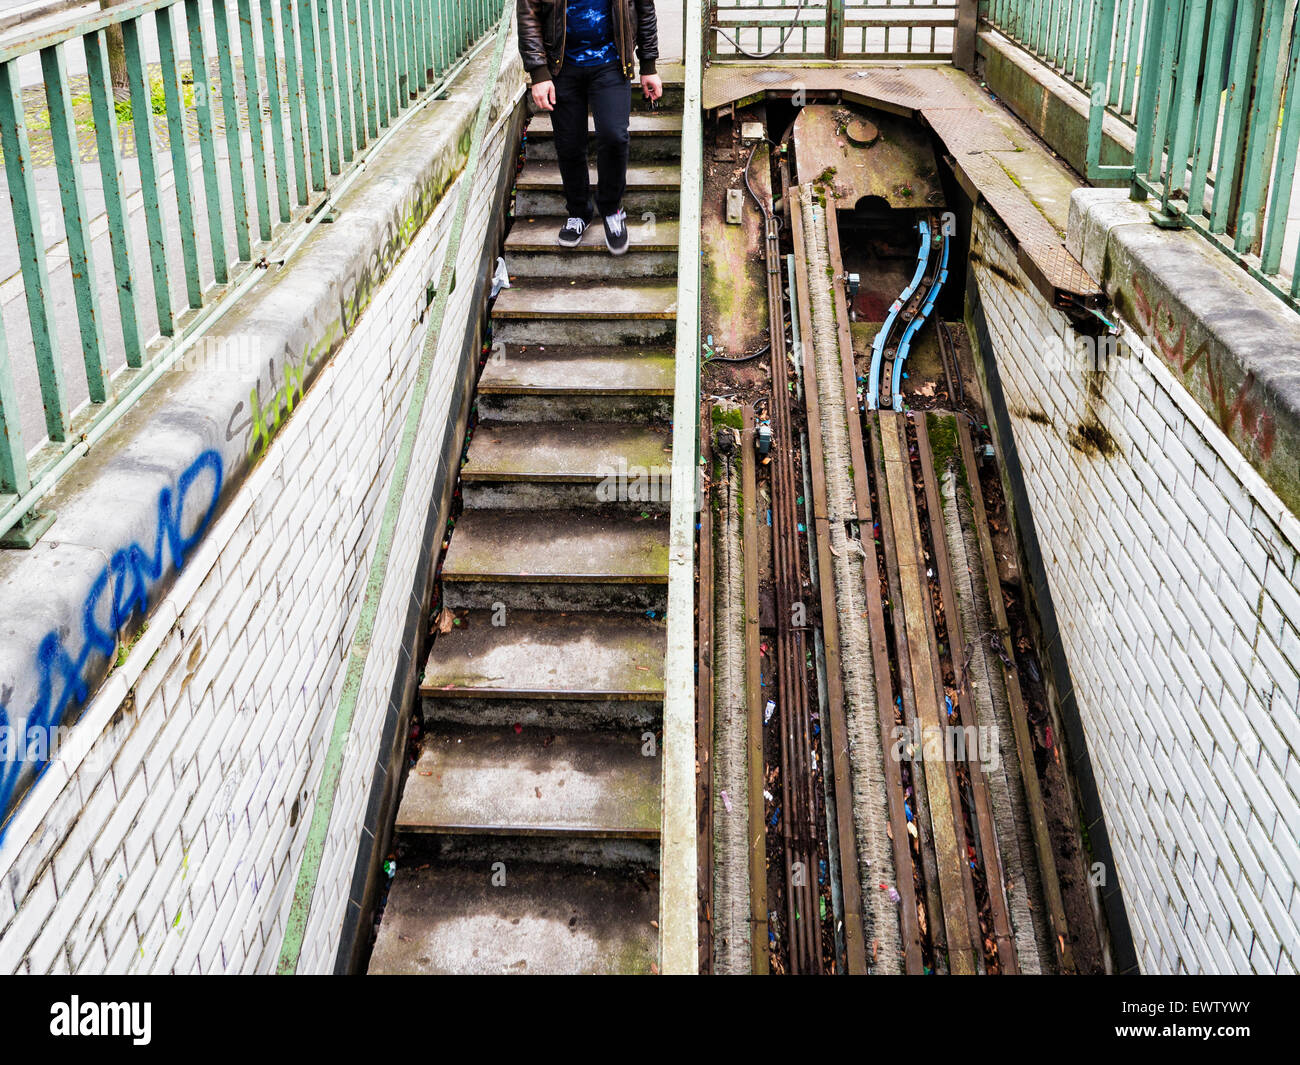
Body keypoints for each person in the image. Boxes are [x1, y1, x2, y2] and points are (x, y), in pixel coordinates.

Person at [516, 0, 663, 255]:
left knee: (615, 136)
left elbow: (644, 8)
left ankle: (611, 208)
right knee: (569, 143)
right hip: (562, 66)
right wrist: (539, 73)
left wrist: (648, 64)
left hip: (612, 64)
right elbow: (528, 15)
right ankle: (579, 211)